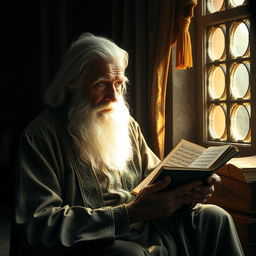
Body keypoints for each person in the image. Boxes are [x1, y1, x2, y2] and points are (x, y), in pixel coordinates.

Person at [14, 33, 244, 256]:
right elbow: (39, 222)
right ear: (72, 84)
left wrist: (190, 190)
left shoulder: (126, 124)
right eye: (101, 84)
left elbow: (156, 178)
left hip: (147, 225)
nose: (114, 97)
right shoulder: (40, 137)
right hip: (91, 241)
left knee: (215, 218)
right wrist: (128, 215)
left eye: (119, 84)